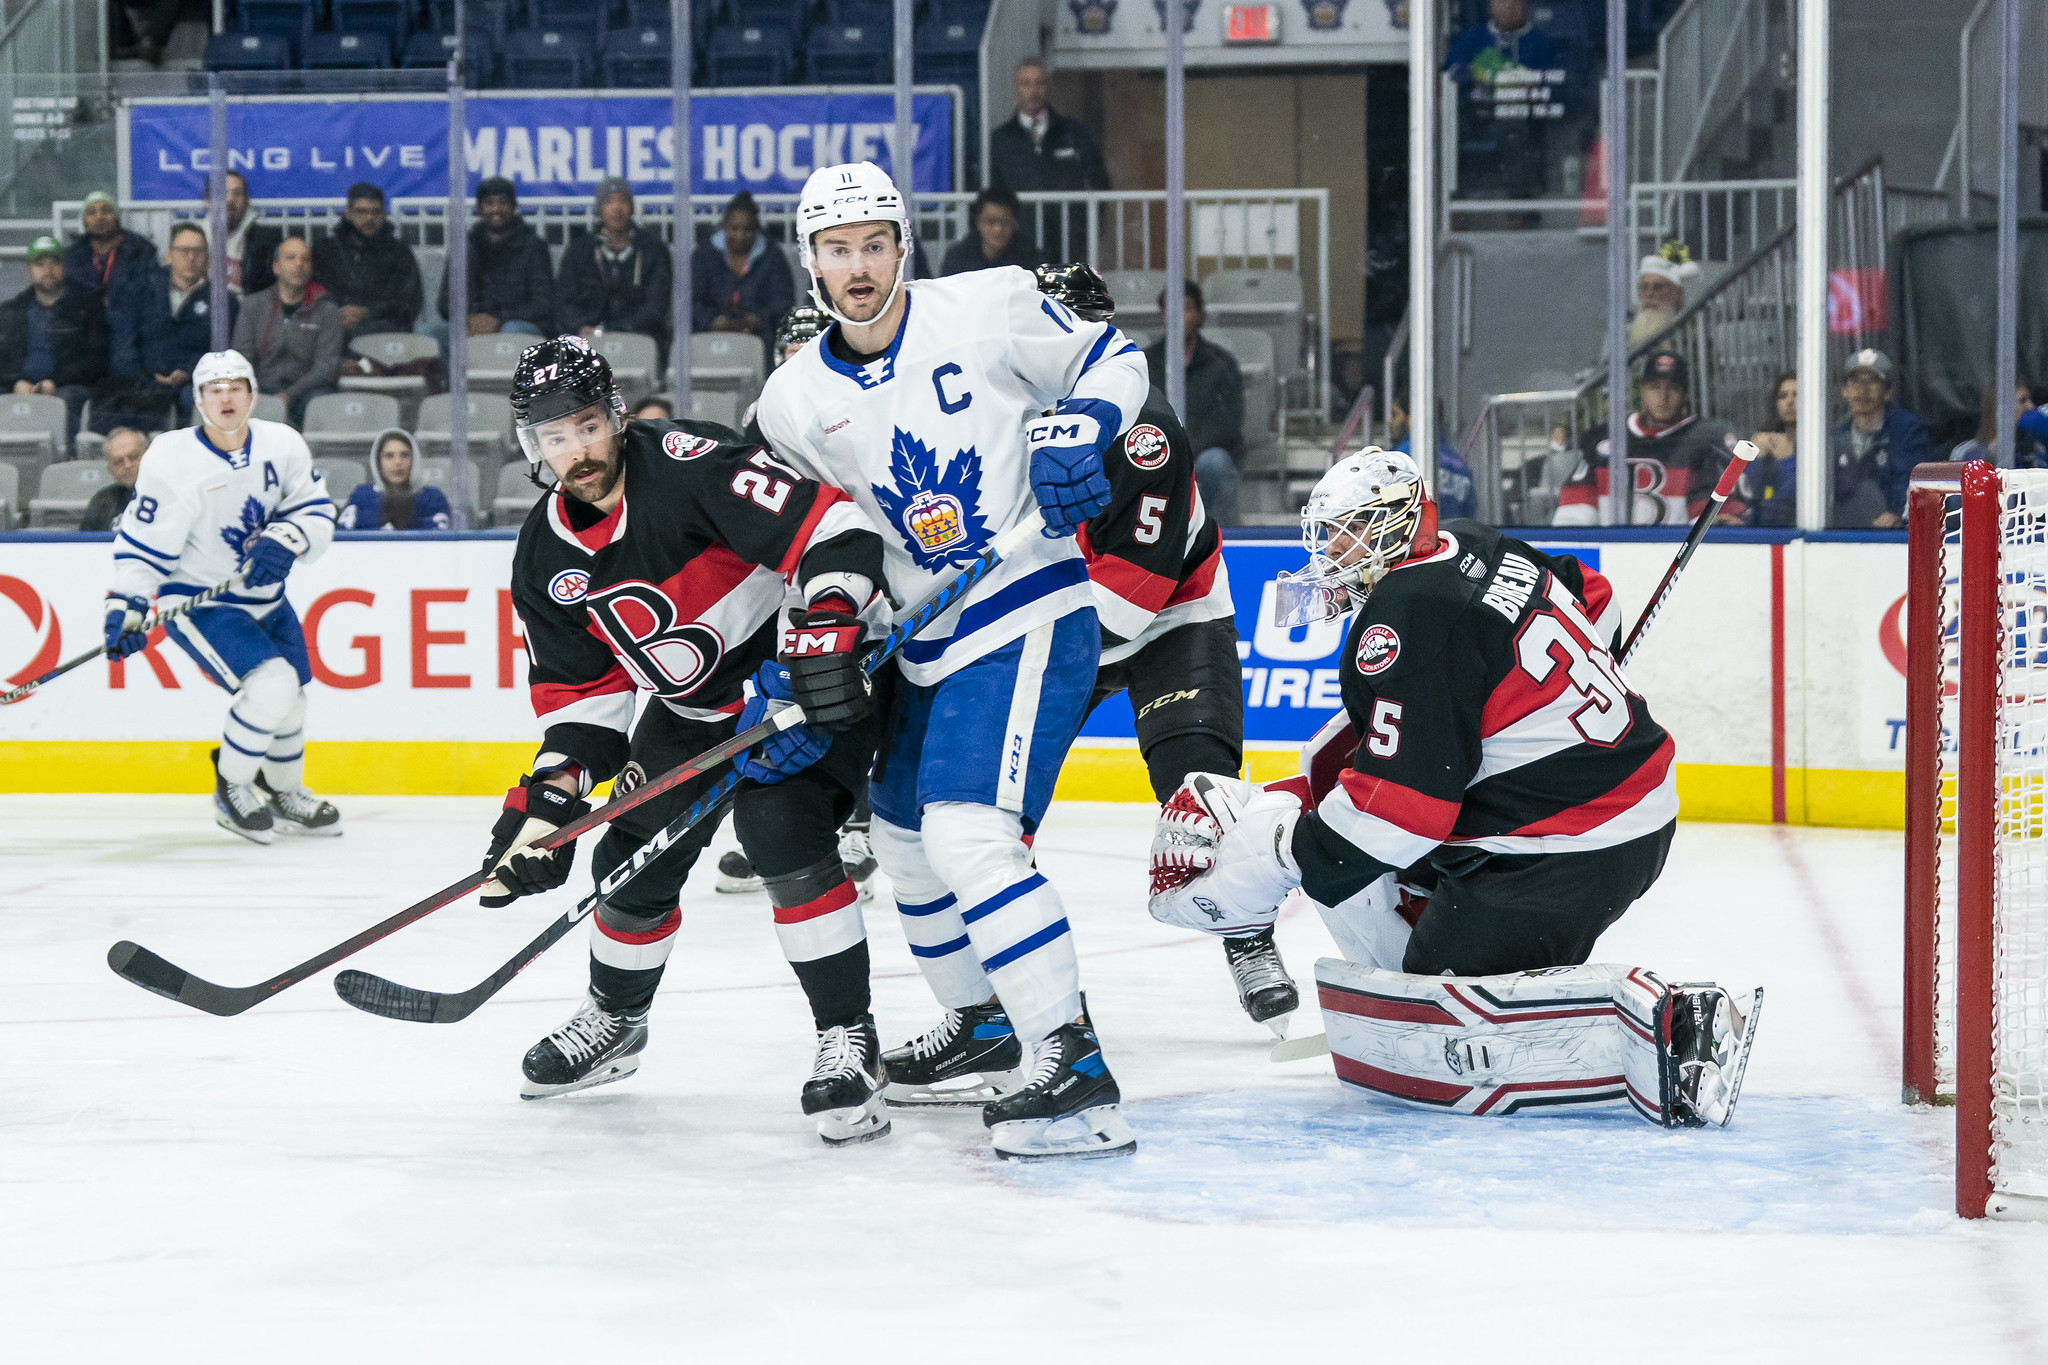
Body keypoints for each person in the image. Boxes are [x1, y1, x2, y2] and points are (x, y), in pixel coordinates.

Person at [1148, 449, 1762, 1128]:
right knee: (1329, 769)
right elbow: (1598, 599)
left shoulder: (1407, 614)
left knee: (1440, 996)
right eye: (1328, 534)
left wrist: (1280, 855)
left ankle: (1680, 1021)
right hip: (1614, 801)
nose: (1333, 552)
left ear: (1394, 526)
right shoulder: (1470, 540)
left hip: (1571, 843)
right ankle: (1446, 913)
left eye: (1350, 531)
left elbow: (1396, 820)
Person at [755, 161, 1149, 1161]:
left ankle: (1070, 1062)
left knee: (969, 833)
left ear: (902, 245)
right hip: (923, 641)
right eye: (836, 250)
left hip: (1027, 604)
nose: (857, 266)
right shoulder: (790, 401)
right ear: (808, 262)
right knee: (902, 844)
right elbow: (812, 537)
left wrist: (1084, 423)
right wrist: (813, 628)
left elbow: (1113, 357)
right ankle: (982, 1021)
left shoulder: (986, 306)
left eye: (872, 244)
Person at [489, 337, 894, 1148]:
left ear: (615, 415)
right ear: (532, 448)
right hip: (697, 711)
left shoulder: (689, 461)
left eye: (585, 425)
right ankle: (617, 1019)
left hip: (803, 682)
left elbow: (835, 531)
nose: (576, 450)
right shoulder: (544, 554)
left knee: (781, 832)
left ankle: (851, 1039)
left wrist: (819, 639)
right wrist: (548, 803)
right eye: (554, 437)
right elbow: (584, 698)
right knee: (626, 859)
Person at [1034, 263, 1289, 1032]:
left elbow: (1131, 596)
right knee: (993, 804)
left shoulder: (1144, 431)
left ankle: (1248, 937)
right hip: (1056, 613)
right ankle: (1004, 983)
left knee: (1199, 791)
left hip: (1169, 617)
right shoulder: (1001, 408)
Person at [102, 349, 341, 843]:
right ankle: (231, 790)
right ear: (199, 400)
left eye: (236, 385)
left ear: (253, 395)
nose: (226, 395)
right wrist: (125, 608)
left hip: (266, 597)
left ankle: (285, 792)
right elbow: (141, 547)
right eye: (215, 388)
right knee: (271, 685)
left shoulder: (284, 444)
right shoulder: (171, 457)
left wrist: (289, 539)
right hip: (198, 600)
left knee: (291, 698)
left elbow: (315, 510)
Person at [1554, 351, 1746, 526]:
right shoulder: (1603, 438)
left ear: (1686, 393)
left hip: (1679, 556)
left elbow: (1715, 522)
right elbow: (1572, 519)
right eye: (1655, 387)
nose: (1663, 397)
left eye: (1673, 388)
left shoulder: (1706, 439)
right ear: (1642, 390)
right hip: (1613, 554)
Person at [1442, 0, 1568, 215]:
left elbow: (1558, 83)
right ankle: (1459, 212)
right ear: (1490, 5)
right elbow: (1450, 73)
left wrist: (1529, 83)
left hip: (1524, 120)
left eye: (1515, 1)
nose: (1508, 6)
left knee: (1515, 133)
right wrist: (1479, 72)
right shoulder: (1472, 38)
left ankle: (1520, 211)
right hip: (1476, 116)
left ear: (1525, 6)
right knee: (1454, 134)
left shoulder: (1540, 42)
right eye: (1501, 1)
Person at [105, 221, 228, 431]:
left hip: (194, 383)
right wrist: (149, 376)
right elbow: (124, 346)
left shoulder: (222, 300)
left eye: (198, 251)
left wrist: (188, 371)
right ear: (168, 255)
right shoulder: (138, 292)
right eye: (183, 251)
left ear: (207, 258)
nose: (191, 257)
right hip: (141, 380)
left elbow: (221, 351)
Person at [1144, 280, 1245, 527]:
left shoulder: (1221, 362)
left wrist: (1186, 450)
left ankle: (1219, 534)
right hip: (1158, 451)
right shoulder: (1144, 361)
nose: (1178, 316)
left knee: (1215, 464)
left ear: (1200, 316)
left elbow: (1229, 422)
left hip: (1205, 452)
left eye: (1186, 308)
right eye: (1171, 309)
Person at [987, 56, 1109, 260]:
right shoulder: (1000, 139)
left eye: (1039, 83)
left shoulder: (1074, 132)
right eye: (1026, 84)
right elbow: (994, 189)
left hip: (1069, 242)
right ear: (1016, 88)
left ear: (1049, 87)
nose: (1033, 91)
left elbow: (1099, 180)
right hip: (1019, 244)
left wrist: (1083, 225)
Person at [0, 235, 110, 445]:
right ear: (29, 269)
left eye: (54, 263)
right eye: (40, 264)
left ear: (64, 266)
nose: (47, 270)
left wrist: (54, 382)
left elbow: (96, 359)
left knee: (68, 398)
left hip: (66, 385)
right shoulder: (10, 310)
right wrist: (16, 382)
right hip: (18, 385)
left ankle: (64, 458)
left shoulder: (87, 307)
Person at [558, 177, 674, 364]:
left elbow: (656, 304)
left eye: (623, 200)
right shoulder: (580, 249)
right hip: (588, 335)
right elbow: (563, 300)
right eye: (609, 201)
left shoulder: (653, 249)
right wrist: (581, 326)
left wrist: (623, 329)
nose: (617, 208)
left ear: (632, 208)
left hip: (639, 334)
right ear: (599, 211)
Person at [229, 236, 342, 426]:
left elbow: (326, 368)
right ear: (276, 267)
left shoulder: (327, 310)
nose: (299, 264)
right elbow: (242, 358)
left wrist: (289, 395)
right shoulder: (252, 306)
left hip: (306, 392)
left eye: (305, 259)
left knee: (322, 400)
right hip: (261, 390)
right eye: (291, 258)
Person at [435, 177, 555, 340]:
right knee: (429, 334)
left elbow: (543, 304)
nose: (496, 209)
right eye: (489, 203)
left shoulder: (533, 246)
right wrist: (470, 320)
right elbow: (444, 301)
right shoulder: (465, 246)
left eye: (503, 203)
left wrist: (498, 320)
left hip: (516, 325)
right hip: (470, 324)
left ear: (514, 207)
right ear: (479, 208)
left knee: (511, 330)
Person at [1829, 348, 1929, 529]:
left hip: (1890, 533)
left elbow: (1909, 479)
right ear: (1844, 391)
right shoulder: (1834, 435)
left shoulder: (1907, 430)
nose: (1863, 389)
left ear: (1888, 391)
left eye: (1873, 381)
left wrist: (1897, 513)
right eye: (1855, 381)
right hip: (1841, 532)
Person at [311, 182, 425, 340]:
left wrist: (367, 312)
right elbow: (313, 293)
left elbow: (410, 303)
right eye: (361, 211)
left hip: (384, 335)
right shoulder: (326, 250)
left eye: (375, 212)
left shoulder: (399, 253)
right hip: (333, 332)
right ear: (348, 213)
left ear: (384, 215)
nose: (369, 218)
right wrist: (337, 313)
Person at [690, 191, 794, 348]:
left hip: (761, 337)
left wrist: (759, 319)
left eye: (747, 229)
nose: (740, 235)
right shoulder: (704, 254)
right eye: (735, 228)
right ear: (724, 225)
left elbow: (783, 300)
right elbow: (691, 300)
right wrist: (711, 321)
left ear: (756, 229)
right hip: (708, 334)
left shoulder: (773, 256)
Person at [64, 190, 162, 319]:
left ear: (117, 217)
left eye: (106, 211)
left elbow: (150, 296)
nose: (100, 217)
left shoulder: (142, 250)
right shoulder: (72, 256)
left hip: (131, 327)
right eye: (92, 213)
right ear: (84, 222)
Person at [339, 429, 451, 530]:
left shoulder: (432, 498)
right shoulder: (361, 498)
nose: (397, 462)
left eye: (404, 455)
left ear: (414, 459)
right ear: (378, 462)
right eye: (389, 456)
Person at [1388, 393, 1475, 520]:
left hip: (1415, 537)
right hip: (1452, 537)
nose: (1389, 422)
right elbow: (1469, 511)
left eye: (1395, 414)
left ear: (1412, 418)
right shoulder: (1460, 463)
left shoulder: (1400, 458)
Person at [940, 188, 1043, 277]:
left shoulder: (1029, 256)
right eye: (991, 221)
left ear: (1015, 223)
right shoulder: (958, 258)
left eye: (1005, 221)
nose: (998, 229)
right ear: (978, 222)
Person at [1744, 370, 1798, 527]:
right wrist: (1757, 458)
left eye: (1796, 395)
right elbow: (1750, 496)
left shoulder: (1820, 444)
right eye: (1783, 396)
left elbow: (1790, 504)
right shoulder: (1764, 441)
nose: (1789, 402)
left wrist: (1787, 461)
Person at [1951, 379, 2044, 467]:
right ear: (2001, 408)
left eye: (2030, 399)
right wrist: (1990, 456)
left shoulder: (2034, 446)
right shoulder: (1967, 452)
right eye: (2023, 401)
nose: (2031, 406)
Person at [220, 171, 282, 298]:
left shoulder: (267, 241)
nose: (230, 199)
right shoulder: (192, 240)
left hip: (251, 314)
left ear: (246, 201)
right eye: (222, 193)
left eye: (237, 194)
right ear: (208, 200)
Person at [79, 425, 146, 532]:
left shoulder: (168, 492)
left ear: (148, 455)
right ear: (110, 469)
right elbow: (85, 544)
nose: (128, 465)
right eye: (119, 461)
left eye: (133, 456)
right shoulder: (102, 502)